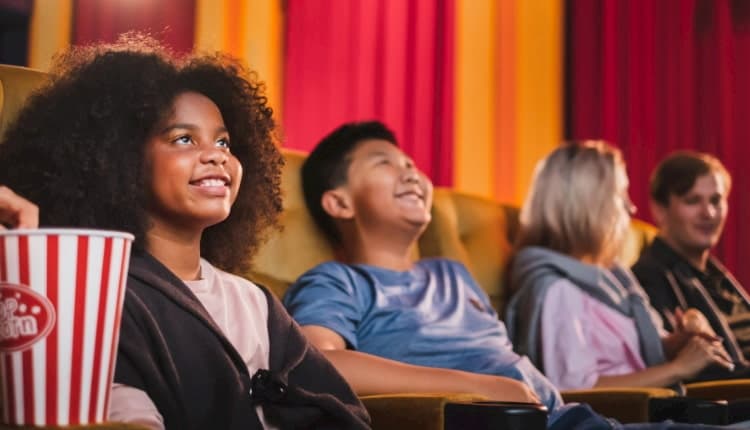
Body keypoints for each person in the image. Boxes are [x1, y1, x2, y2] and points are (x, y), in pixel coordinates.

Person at [0, 35, 369, 429]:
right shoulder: (96, 297)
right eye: (183, 139)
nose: (216, 155)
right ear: (118, 158)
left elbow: (338, 411)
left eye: (224, 141)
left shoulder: (254, 301)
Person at [282, 122, 732, 429]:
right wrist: (481, 388)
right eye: (384, 162)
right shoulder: (338, 281)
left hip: (566, 416)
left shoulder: (452, 274)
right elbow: (319, 364)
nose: (411, 172)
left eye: (412, 164)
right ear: (338, 202)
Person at [506, 141, 734, 393]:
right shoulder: (557, 289)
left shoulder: (611, 275)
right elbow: (574, 389)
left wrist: (677, 344)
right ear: (587, 207)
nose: (631, 207)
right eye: (619, 195)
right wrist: (678, 369)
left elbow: (632, 353)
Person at [632, 151, 750, 379]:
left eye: (716, 200)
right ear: (660, 209)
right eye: (693, 201)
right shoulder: (649, 278)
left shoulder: (717, 276)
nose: (708, 213)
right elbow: (701, 372)